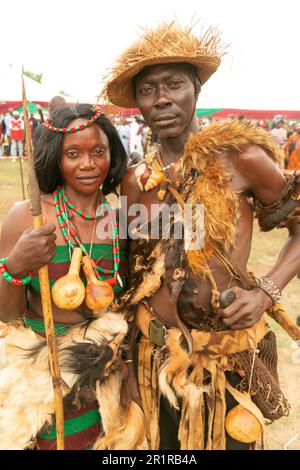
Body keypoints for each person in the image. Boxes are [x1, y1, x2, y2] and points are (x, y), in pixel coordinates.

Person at [101, 21, 300, 450]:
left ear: (197, 88)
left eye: (174, 83)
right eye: (147, 90)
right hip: (154, 367)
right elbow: (134, 282)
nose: (162, 99)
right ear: (137, 103)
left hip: (223, 362)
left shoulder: (241, 158)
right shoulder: (136, 181)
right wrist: (130, 369)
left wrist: (264, 294)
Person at [0, 104, 130, 450]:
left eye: (98, 152)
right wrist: (15, 267)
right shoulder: (29, 217)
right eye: (73, 154)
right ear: (56, 159)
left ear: (112, 154)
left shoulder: (121, 223)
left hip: (105, 374)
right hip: (45, 376)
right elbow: (7, 313)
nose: (88, 164)